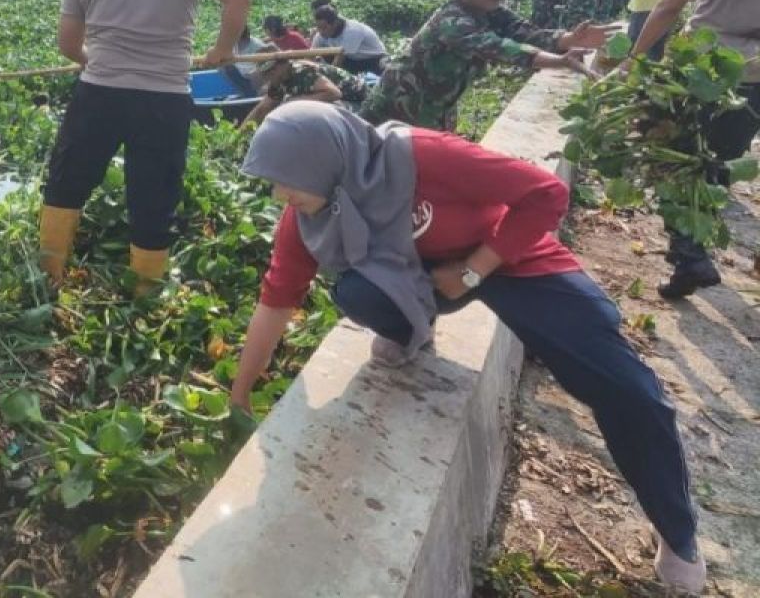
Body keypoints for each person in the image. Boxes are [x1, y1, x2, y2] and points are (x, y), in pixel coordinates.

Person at [229, 102, 706, 594]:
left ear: (324, 158)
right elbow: (277, 298)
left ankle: (677, 532)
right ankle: (411, 327)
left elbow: (545, 193)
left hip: (505, 257)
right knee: (357, 293)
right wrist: (240, 394)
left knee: (624, 387)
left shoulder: (421, 156)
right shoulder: (310, 214)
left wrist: (475, 268)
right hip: (425, 278)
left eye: (287, 178)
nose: (279, 193)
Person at [39, 0, 252, 293]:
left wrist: (90, 62)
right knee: (155, 195)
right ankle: (144, 295)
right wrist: (221, 51)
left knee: (68, 181)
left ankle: (47, 277)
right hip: (165, 96)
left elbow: (67, 45)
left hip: (100, 91)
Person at [629, 0, 760, 299]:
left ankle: (690, 255)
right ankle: (697, 249)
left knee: (670, 153)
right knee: (722, 155)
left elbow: (670, 5)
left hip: (704, 62)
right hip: (757, 76)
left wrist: (636, 55)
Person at [361, 0, 610, 132]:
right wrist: (560, 61)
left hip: (438, 107)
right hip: (399, 107)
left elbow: (522, 31)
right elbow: (499, 47)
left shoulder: (490, 11)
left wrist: (568, 39)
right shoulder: (452, 22)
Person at [242, 58, 370, 126]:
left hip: (357, 101)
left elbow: (334, 93)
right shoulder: (278, 82)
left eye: (273, 69)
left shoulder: (302, 72)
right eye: (267, 73)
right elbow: (263, 108)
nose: (270, 74)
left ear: (283, 65)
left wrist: (296, 101)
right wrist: (238, 137)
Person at [309, 5, 387, 76]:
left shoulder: (352, 30)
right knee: (325, 55)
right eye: (318, 27)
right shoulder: (321, 34)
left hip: (373, 60)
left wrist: (327, 79)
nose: (321, 31)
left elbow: (338, 62)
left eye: (324, 28)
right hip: (351, 60)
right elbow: (311, 55)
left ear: (335, 23)